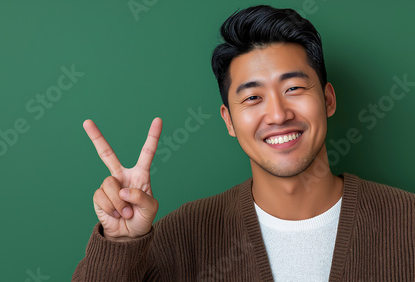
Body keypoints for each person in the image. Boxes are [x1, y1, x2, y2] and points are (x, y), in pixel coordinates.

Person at [72, 5, 415, 281]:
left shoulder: (406, 222)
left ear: (327, 100)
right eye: (252, 97)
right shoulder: (184, 234)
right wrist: (121, 243)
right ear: (229, 121)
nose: (278, 114)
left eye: (293, 88)